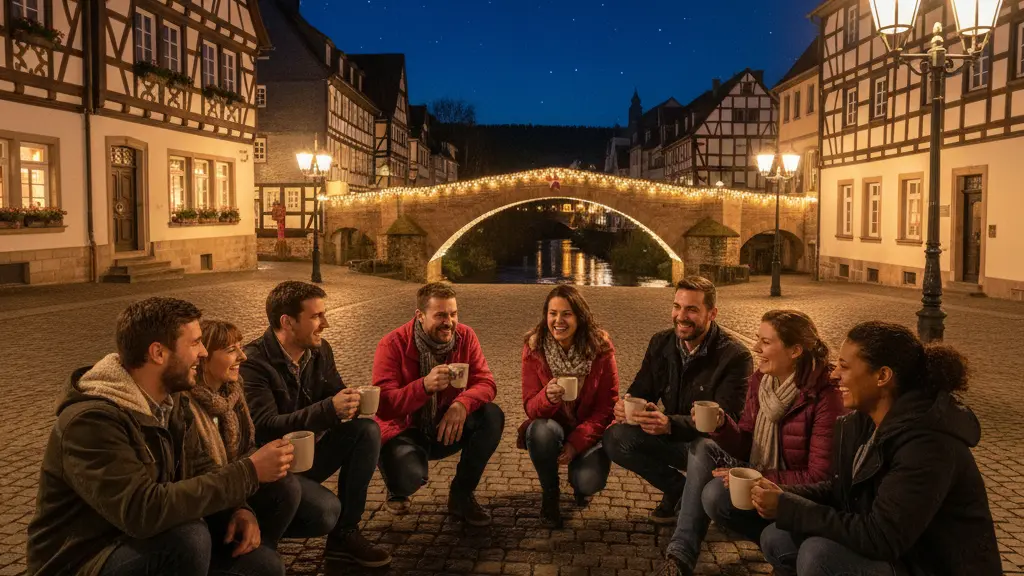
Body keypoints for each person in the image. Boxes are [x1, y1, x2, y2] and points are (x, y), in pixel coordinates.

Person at [26, 297, 295, 576]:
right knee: (188, 539)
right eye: (194, 343)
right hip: (88, 558)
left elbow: (199, 465)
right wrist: (249, 472)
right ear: (158, 353)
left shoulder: (172, 400)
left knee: (264, 565)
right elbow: (142, 511)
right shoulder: (91, 422)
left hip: (144, 541)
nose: (203, 352)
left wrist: (238, 509)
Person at [753, 321, 1001, 576]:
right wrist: (783, 493)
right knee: (778, 536)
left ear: (882, 376)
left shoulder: (927, 443)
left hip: (932, 564)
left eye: (845, 367)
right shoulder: (863, 420)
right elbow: (842, 490)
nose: (834, 374)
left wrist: (789, 508)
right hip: (900, 554)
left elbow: (882, 536)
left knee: (820, 555)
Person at [656, 310, 843, 575]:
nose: (756, 348)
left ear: (795, 351)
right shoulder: (762, 381)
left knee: (716, 495)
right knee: (704, 452)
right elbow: (745, 443)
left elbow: (819, 477)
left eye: (766, 342)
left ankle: (783, 548)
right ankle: (680, 555)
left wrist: (758, 479)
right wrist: (722, 426)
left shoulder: (825, 395)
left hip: (803, 498)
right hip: (765, 474)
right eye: (758, 339)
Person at [241, 281, 391, 568]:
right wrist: (328, 409)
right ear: (287, 322)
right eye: (316, 316)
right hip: (275, 469)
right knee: (325, 512)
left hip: (312, 453)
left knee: (367, 431)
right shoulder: (254, 363)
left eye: (324, 314)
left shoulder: (320, 351)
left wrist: (350, 401)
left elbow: (334, 392)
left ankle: (345, 536)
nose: (326, 324)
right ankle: (258, 543)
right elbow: (265, 426)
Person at [603, 276, 752, 524]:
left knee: (700, 447)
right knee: (615, 437)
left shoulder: (735, 356)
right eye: (677, 306)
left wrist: (670, 423)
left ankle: (693, 502)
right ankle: (680, 490)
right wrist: (627, 406)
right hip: (672, 437)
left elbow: (729, 418)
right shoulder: (661, 343)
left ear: (712, 313)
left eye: (692, 309)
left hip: (712, 447)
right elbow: (642, 389)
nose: (681, 316)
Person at [188, 319, 339, 553]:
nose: (242, 356)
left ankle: (262, 548)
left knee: (322, 508)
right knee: (287, 488)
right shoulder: (188, 407)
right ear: (203, 358)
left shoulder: (233, 393)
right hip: (212, 495)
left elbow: (248, 445)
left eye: (240, 347)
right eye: (231, 350)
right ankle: (252, 558)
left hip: (242, 481)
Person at [373, 282, 505, 526]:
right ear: (420, 316)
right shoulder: (392, 344)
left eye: (453, 314)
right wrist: (423, 386)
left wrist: (462, 405)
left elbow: (486, 382)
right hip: (405, 431)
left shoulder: (465, 336)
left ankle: (461, 496)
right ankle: (397, 486)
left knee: (491, 416)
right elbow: (384, 406)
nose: (449, 322)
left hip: (444, 425)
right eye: (441, 315)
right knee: (409, 478)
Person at [519, 285, 618, 528]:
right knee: (539, 430)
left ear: (579, 317)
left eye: (567, 314)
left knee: (587, 481)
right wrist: (547, 398)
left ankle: (580, 481)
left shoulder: (600, 347)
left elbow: (607, 407)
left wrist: (576, 444)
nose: (558, 321)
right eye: (553, 313)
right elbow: (531, 408)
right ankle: (550, 494)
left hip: (588, 431)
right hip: (553, 426)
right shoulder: (535, 347)